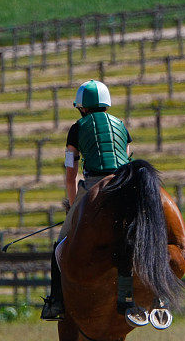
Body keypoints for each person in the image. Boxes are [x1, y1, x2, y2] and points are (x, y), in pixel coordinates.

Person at [41, 79, 132, 320]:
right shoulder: (122, 126)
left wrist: (72, 209)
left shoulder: (77, 128)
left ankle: (56, 302)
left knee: (61, 246)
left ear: (82, 107)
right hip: (125, 185)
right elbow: (127, 157)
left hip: (93, 184)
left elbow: (71, 174)